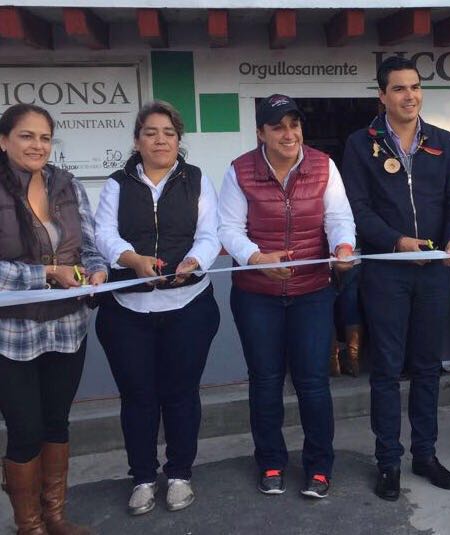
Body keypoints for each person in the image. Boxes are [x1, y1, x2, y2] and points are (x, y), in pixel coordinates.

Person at [341, 56, 450, 501]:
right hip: (386, 272)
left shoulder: (444, 142)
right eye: (399, 88)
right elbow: (358, 209)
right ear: (382, 95)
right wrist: (397, 242)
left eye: (415, 87)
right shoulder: (361, 144)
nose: (409, 96)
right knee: (386, 370)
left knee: (427, 367)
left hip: (435, 272)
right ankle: (388, 461)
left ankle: (425, 453)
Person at [219, 94, 356, 500]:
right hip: (256, 295)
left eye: (294, 125)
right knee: (265, 383)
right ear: (260, 133)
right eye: (277, 126)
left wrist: (343, 248)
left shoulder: (323, 166)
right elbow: (228, 229)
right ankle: (271, 462)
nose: (288, 133)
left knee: (313, 384)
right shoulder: (239, 171)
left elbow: (338, 217)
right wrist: (256, 258)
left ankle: (319, 466)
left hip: (312, 291)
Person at [94, 101, 221, 515]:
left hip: (188, 306)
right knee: (138, 397)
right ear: (137, 140)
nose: (160, 139)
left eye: (168, 132)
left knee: (182, 395)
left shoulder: (197, 180)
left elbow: (209, 234)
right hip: (127, 311)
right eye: (151, 132)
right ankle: (144, 478)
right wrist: (132, 261)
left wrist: (193, 263)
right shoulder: (116, 184)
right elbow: (104, 235)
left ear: (179, 140)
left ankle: (180, 474)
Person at [0, 103, 106, 535]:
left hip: (67, 326)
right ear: (4, 140)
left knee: (57, 422)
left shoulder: (67, 184)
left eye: (45, 137)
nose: (38, 145)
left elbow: (90, 244)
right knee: (25, 431)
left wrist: (97, 270)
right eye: (27, 136)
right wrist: (45, 273)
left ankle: (55, 516)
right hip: (12, 333)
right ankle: (30, 527)